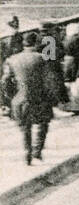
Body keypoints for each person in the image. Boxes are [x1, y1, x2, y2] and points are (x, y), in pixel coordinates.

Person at [1, 30, 62, 163]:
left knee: (25, 127)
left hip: (20, 98)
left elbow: (5, 82)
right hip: (40, 98)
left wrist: (11, 97)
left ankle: (27, 152)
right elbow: (51, 80)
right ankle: (37, 151)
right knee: (43, 125)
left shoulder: (12, 60)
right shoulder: (42, 58)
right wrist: (54, 98)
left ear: (23, 43)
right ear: (36, 42)